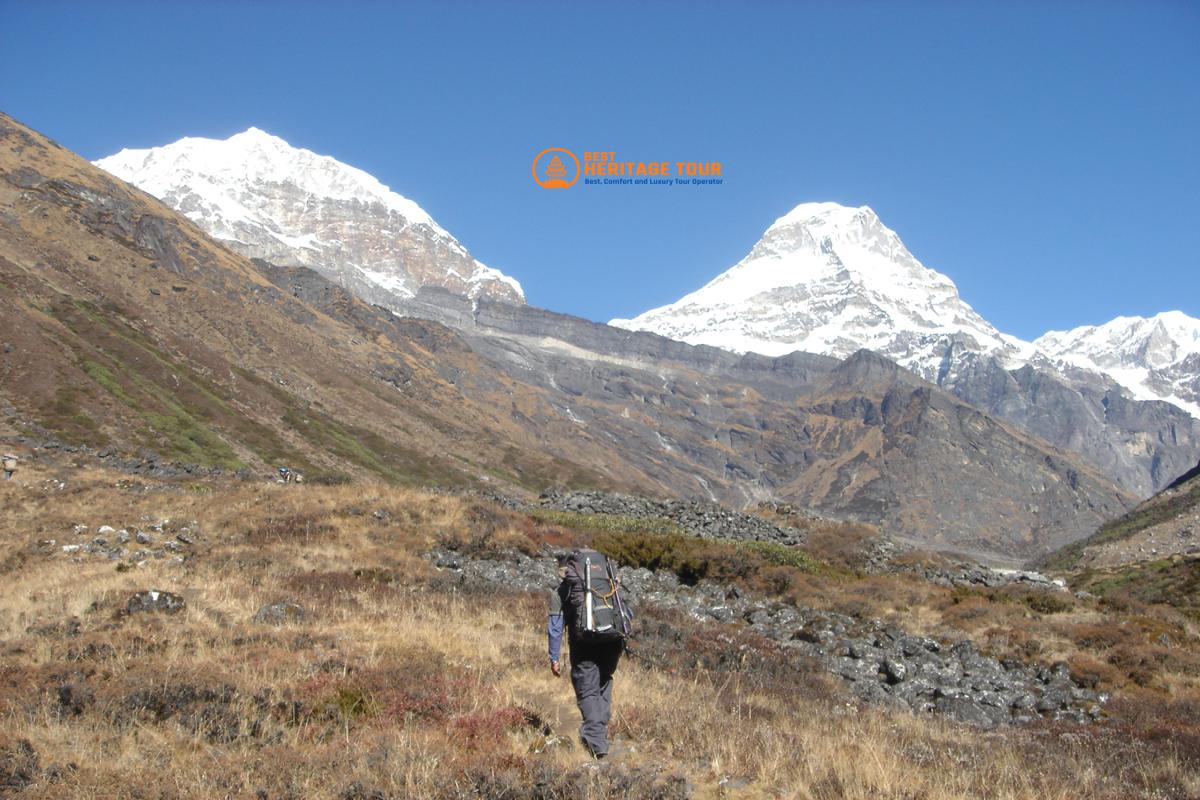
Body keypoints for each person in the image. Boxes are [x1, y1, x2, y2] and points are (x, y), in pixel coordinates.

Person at [548, 552, 625, 760]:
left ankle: (597, 745)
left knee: (587, 688)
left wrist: (554, 657)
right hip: (613, 641)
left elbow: (555, 627)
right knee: (604, 681)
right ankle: (598, 731)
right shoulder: (606, 583)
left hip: (585, 644)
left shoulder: (562, 592)